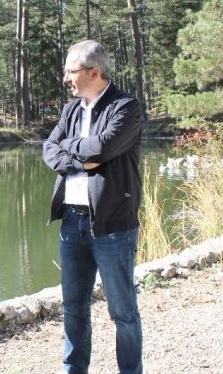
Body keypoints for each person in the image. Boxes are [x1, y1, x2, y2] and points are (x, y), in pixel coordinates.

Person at [43, 39, 143, 374]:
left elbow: (101, 148)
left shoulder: (125, 107)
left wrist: (73, 148)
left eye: (70, 71)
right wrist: (78, 158)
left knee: (123, 312)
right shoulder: (71, 110)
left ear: (94, 72)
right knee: (73, 307)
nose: (65, 78)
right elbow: (49, 149)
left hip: (112, 225)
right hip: (72, 222)